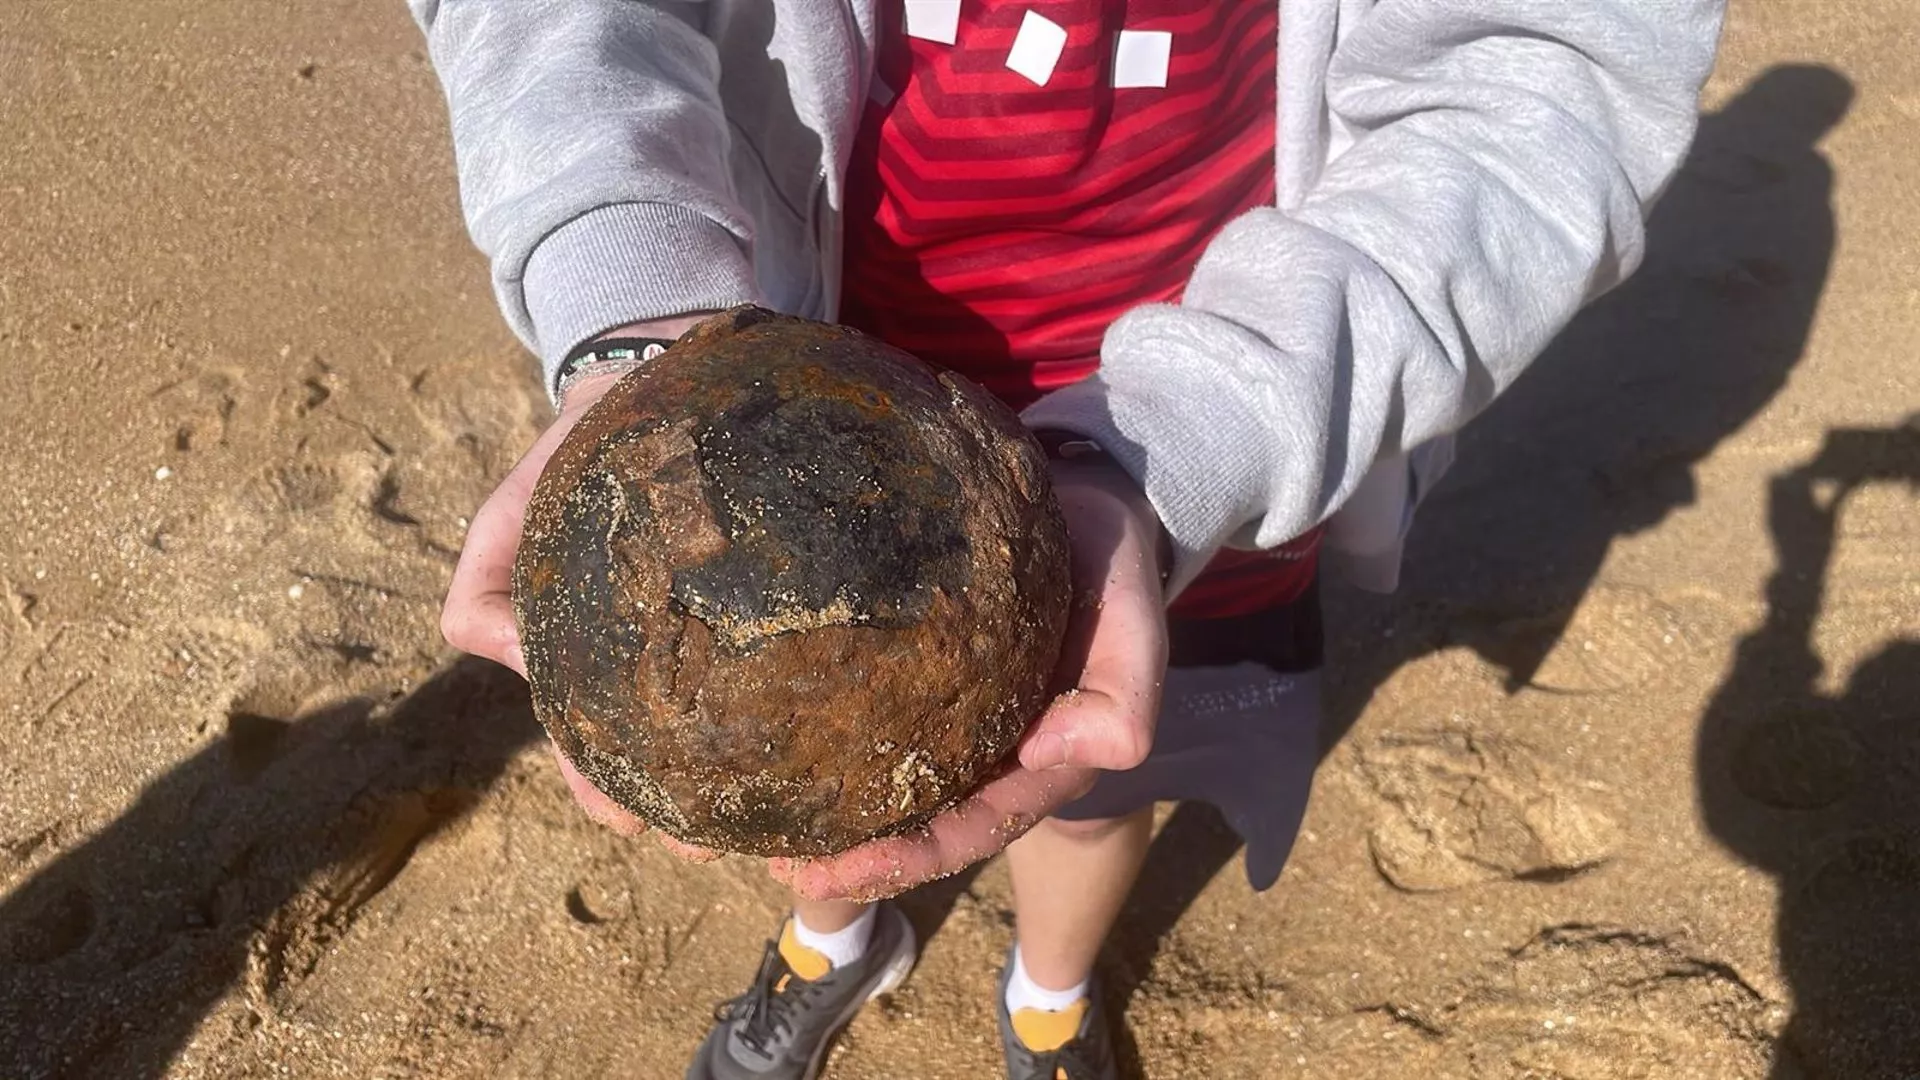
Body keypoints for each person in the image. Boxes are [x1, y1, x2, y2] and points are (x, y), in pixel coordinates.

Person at [410, 2, 1724, 1077]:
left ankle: (1049, 998)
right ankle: (833, 937)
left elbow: (1533, 86)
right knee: (815, 796)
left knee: (1094, 782)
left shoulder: (1215, 439)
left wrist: (1193, 437)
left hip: (1219, 436)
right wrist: (631, 297)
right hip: (842, 350)